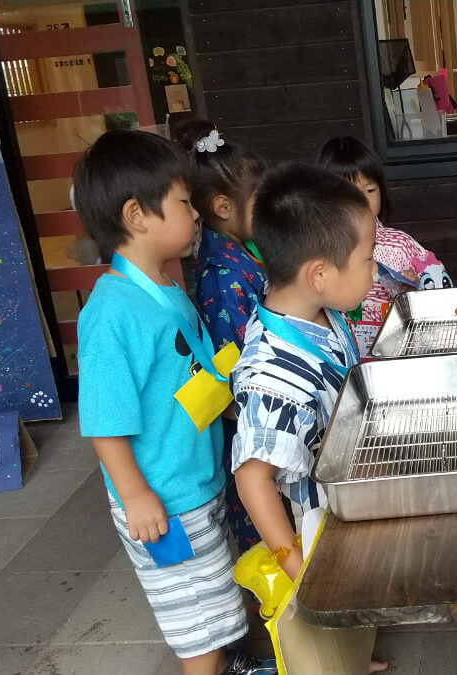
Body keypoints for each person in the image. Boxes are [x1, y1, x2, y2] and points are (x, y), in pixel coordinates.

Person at [73, 130, 275, 675]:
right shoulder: (112, 312)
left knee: (212, 598)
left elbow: (191, 374)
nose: (197, 215)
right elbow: (103, 421)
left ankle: (235, 662)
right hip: (161, 502)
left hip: (192, 481)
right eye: (185, 204)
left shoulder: (166, 287)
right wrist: (135, 494)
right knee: (198, 628)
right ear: (138, 215)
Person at [230, 162, 388, 673]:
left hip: (347, 487)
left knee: (351, 601)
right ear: (319, 274)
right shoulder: (274, 376)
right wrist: (293, 564)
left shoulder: (319, 311)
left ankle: (355, 657)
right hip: (316, 522)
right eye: (367, 260)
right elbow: (253, 477)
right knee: (324, 612)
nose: (375, 271)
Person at [173, 118, 269, 553]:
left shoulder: (239, 252)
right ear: (224, 207)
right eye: (259, 201)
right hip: (251, 418)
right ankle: (271, 609)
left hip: (257, 412)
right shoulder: (223, 275)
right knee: (262, 521)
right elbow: (240, 361)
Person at [318, 136, 451, 325]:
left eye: (370, 190)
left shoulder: (400, 244)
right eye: (349, 194)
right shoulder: (319, 250)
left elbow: (439, 284)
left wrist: (417, 288)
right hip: (345, 350)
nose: (362, 201)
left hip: (398, 344)